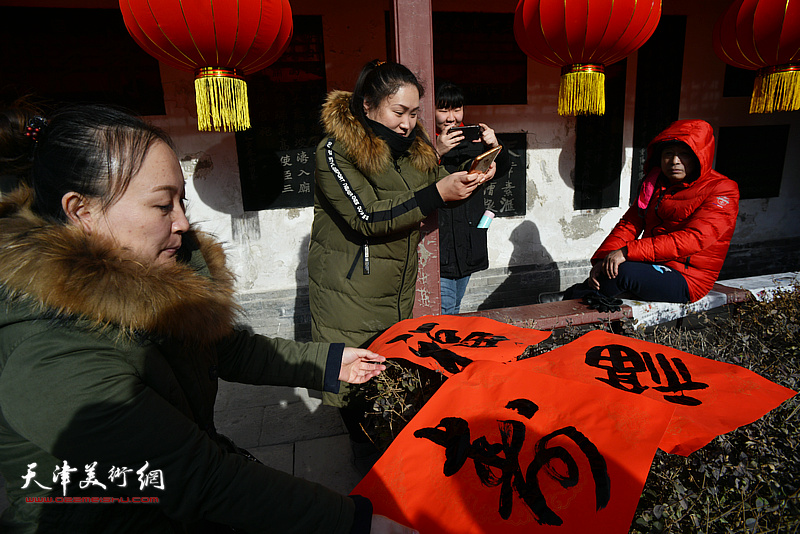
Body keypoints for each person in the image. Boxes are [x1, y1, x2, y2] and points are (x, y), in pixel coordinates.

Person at [0, 102, 417, 534]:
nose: (183, 221)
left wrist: (332, 364)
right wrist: (355, 523)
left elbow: (227, 347)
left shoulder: (156, 280)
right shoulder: (53, 355)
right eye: (163, 205)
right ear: (80, 210)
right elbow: (199, 478)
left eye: (181, 200)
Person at [308, 61, 495, 469]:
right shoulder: (334, 151)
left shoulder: (410, 150)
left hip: (394, 291)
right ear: (368, 105)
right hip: (350, 293)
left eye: (414, 114)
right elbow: (368, 216)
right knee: (357, 396)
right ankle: (365, 498)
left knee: (386, 391)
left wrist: (466, 178)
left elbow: (427, 187)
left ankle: (387, 481)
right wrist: (437, 193)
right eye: (399, 112)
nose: (409, 124)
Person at [583, 119, 739, 304]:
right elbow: (630, 223)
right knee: (608, 270)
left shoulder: (722, 189)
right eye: (668, 154)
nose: (674, 161)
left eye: (684, 155)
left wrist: (626, 252)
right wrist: (605, 256)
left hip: (687, 278)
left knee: (621, 273)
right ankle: (571, 301)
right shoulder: (655, 183)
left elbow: (694, 238)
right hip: (651, 263)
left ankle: (569, 304)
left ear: (699, 157)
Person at [433, 81, 512, 314]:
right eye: (443, 110)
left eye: (456, 109)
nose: (451, 118)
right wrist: (436, 150)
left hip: (467, 240)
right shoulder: (422, 141)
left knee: (455, 306)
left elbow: (504, 167)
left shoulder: (475, 139)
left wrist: (495, 146)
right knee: (446, 310)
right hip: (441, 243)